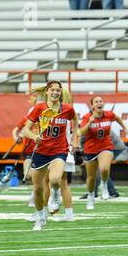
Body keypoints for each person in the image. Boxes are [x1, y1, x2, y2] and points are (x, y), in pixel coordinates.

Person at [23, 81, 79, 231]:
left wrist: (74, 139)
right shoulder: (39, 108)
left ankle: (55, 194)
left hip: (59, 151)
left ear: (61, 93)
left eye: (58, 90)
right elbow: (25, 130)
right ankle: (41, 217)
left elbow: (75, 120)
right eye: (52, 90)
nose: (55, 92)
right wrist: (34, 138)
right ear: (47, 92)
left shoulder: (67, 109)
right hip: (41, 151)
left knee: (55, 180)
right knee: (38, 189)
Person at [80, 95, 128, 210]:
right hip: (91, 149)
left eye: (101, 101)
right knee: (91, 177)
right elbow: (81, 132)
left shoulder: (108, 114)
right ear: (92, 105)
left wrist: (125, 128)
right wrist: (89, 123)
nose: (99, 103)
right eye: (96, 102)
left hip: (106, 146)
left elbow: (117, 118)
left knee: (104, 168)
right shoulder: (87, 117)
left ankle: (103, 185)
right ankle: (91, 197)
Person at [12, 95, 38, 207]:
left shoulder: (46, 119)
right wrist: (16, 137)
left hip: (40, 151)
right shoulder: (27, 119)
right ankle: (34, 193)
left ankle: (34, 195)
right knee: (27, 174)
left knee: (35, 175)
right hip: (28, 150)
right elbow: (16, 130)